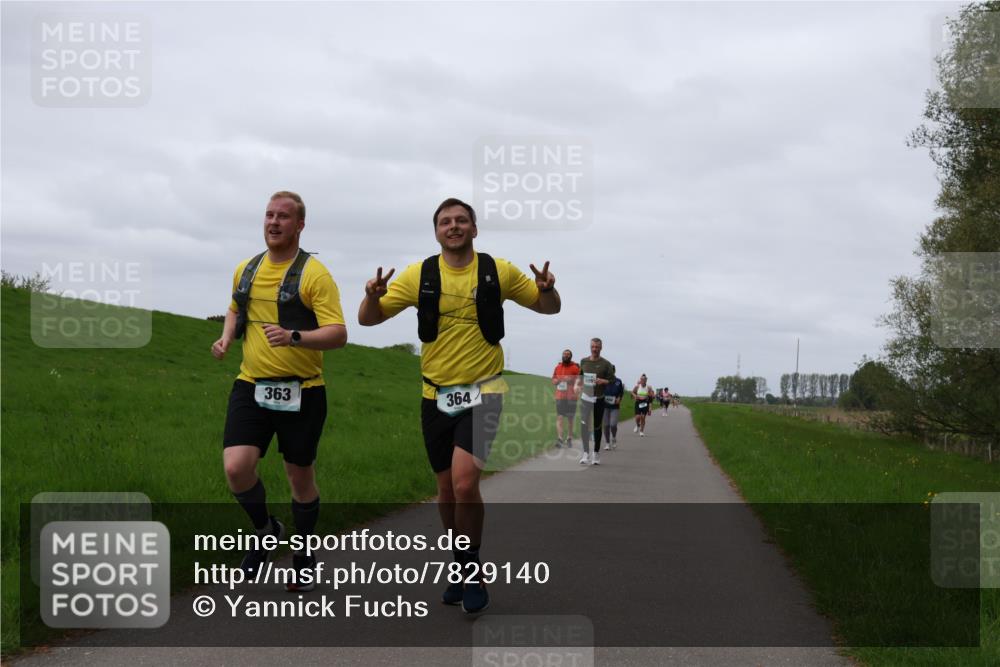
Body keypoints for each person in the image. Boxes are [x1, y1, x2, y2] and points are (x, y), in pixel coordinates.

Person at [358, 197, 560, 613]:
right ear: (436, 231)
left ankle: (471, 573)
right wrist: (373, 297)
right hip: (435, 395)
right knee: (446, 493)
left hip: (484, 391)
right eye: (446, 222)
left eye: (462, 220)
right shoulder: (419, 275)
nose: (454, 226)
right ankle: (463, 565)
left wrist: (547, 289)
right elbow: (367, 320)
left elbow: (549, 308)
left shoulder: (497, 271)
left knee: (466, 483)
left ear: (474, 228)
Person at [212, 190, 348, 592]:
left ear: (300, 225)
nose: (274, 222)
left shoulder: (314, 275)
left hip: (303, 391)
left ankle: (304, 552)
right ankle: (265, 530)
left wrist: (295, 336)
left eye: (283, 217)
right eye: (269, 215)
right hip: (251, 384)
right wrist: (226, 337)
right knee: (236, 467)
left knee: (299, 477)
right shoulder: (246, 269)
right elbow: (238, 307)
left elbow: (338, 334)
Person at [576, 338, 614, 465]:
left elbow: (612, 380)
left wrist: (603, 381)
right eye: (593, 346)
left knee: (597, 426)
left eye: (597, 347)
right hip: (586, 397)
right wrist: (577, 385)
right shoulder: (584, 361)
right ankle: (585, 453)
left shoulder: (606, 364)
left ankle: (596, 453)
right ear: (590, 347)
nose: (594, 349)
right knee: (584, 425)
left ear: (601, 348)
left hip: (599, 398)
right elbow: (580, 376)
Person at [551, 349, 581, 447]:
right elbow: (553, 379)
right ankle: (560, 439)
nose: (566, 356)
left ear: (571, 356)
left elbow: (580, 380)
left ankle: (569, 438)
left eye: (568, 354)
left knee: (570, 419)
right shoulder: (558, 367)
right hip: (560, 396)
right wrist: (556, 381)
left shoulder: (575, 368)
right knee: (559, 417)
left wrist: (571, 379)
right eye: (564, 354)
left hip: (571, 397)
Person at [602, 366, 624, 449]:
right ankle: (607, 443)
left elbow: (621, 392)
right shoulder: (603, 381)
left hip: (615, 406)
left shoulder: (618, 381)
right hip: (605, 406)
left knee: (613, 425)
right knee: (606, 425)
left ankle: (614, 438)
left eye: (611, 371)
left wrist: (619, 398)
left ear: (614, 371)